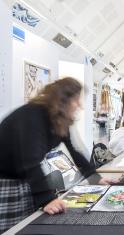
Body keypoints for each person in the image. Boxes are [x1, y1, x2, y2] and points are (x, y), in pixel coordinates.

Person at [0, 77, 116, 233]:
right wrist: (46, 198)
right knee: (12, 230)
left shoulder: (58, 120)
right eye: (76, 100)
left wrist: (96, 178)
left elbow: (74, 151)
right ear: (63, 99)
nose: (80, 105)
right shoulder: (33, 115)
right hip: (7, 183)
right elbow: (30, 161)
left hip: (25, 180)